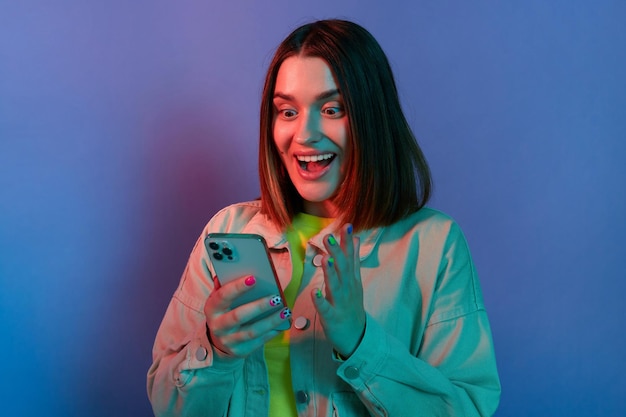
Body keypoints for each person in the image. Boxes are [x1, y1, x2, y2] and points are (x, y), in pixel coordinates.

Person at [147, 19, 501, 417]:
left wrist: (359, 342)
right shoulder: (228, 229)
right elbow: (167, 403)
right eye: (287, 111)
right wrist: (216, 348)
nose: (305, 134)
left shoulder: (434, 246)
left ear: (371, 118)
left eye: (332, 109)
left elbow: (467, 409)